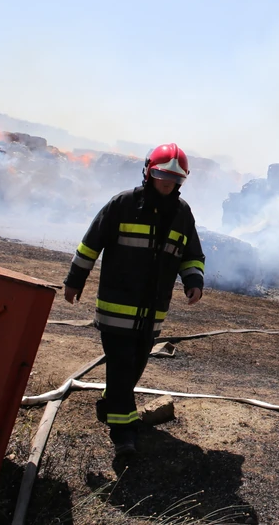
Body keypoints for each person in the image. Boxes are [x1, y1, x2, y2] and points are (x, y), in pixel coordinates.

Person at [63, 142, 205, 458]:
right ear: (147, 172)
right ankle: (124, 434)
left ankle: (112, 401)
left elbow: (192, 254)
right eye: (160, 175)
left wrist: (193, 280)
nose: (167, 183)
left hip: (153, 312)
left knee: (133, 367)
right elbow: (90, 245)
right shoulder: (123, 205)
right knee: (121, 363)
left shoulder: (182, 215)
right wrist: (74, 281)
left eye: (174, 179)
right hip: (116, 308)